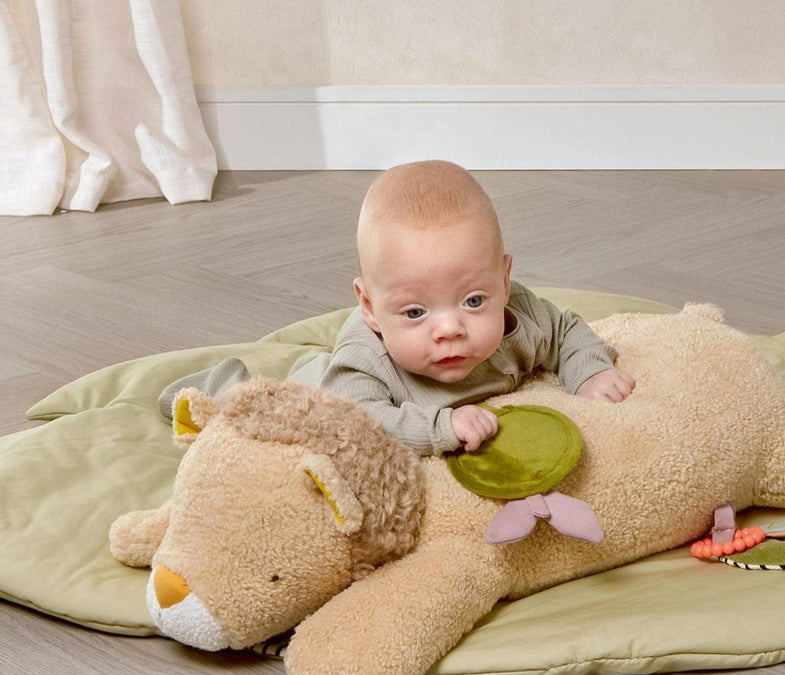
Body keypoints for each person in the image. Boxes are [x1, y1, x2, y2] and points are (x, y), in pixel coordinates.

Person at [159, 160, 633, 455]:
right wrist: (441, 427)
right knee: (273, 414)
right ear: (369, 307)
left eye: (473, 301)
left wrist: (589, 371)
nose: (449, 329)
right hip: (325, 393)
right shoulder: (364, 364)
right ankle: (221, 384)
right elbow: (364, 426)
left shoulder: (521, 317)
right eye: (415, 313)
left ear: (505, 282)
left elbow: (566, 331)